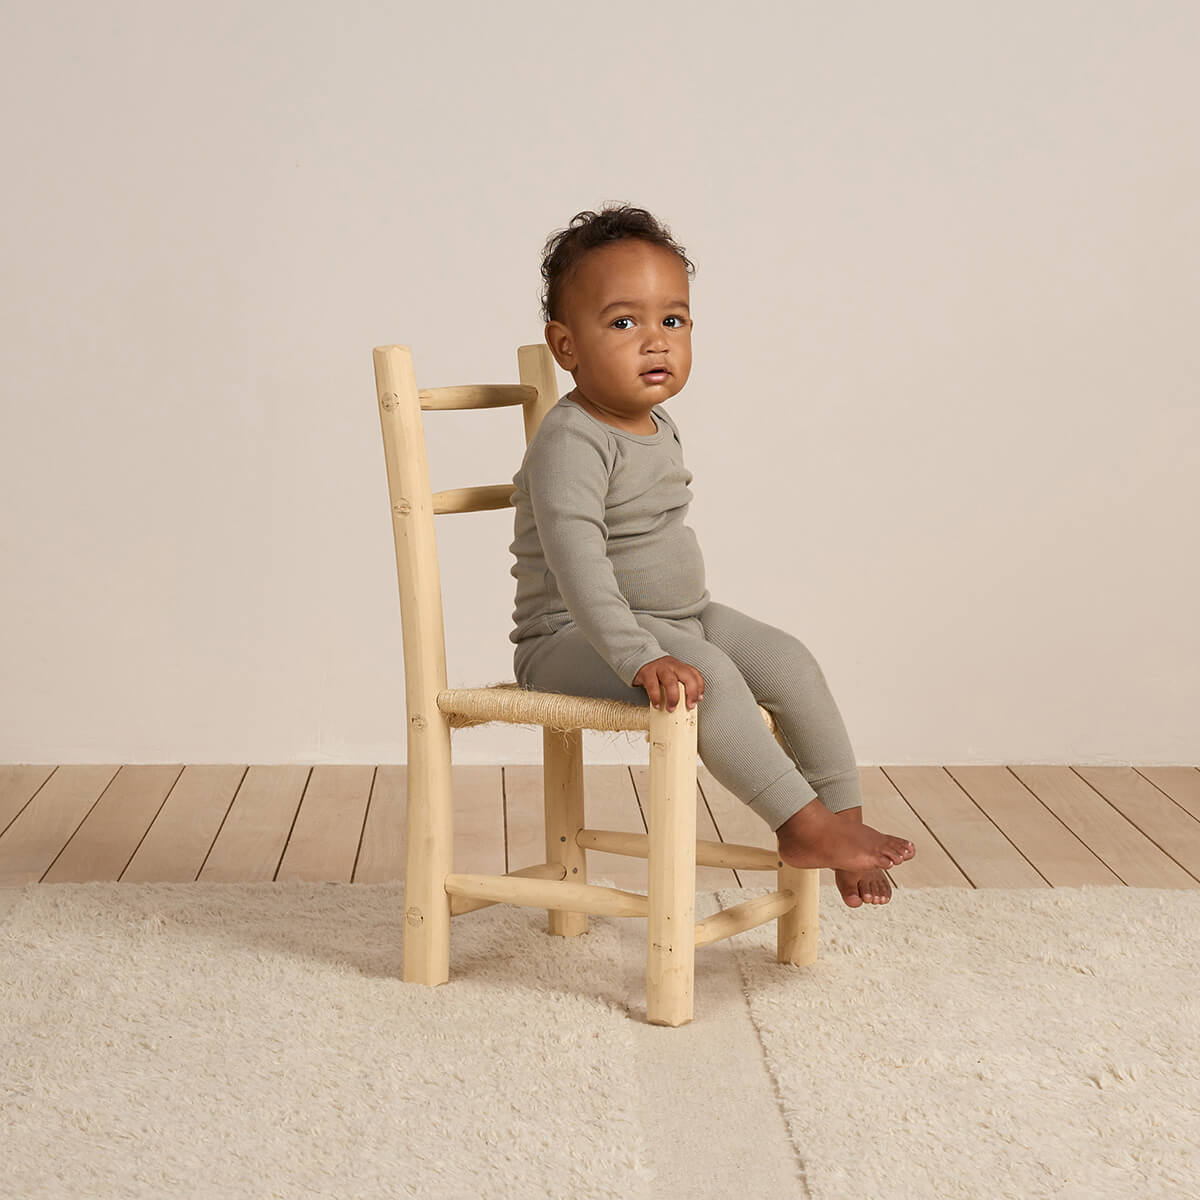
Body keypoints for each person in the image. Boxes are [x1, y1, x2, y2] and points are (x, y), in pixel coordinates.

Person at [507, 204, 916, 907]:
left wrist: (668, 635)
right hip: (572, 638)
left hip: (678, 618)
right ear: (565, 346)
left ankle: (841, 824)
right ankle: (800, 825)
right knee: (710, 678)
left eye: (673, 320)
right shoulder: (571, 440)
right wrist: (640, 655)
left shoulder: (657, 422)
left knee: (788, 660)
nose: (655, 342)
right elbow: (580, 571)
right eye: (623, 323)